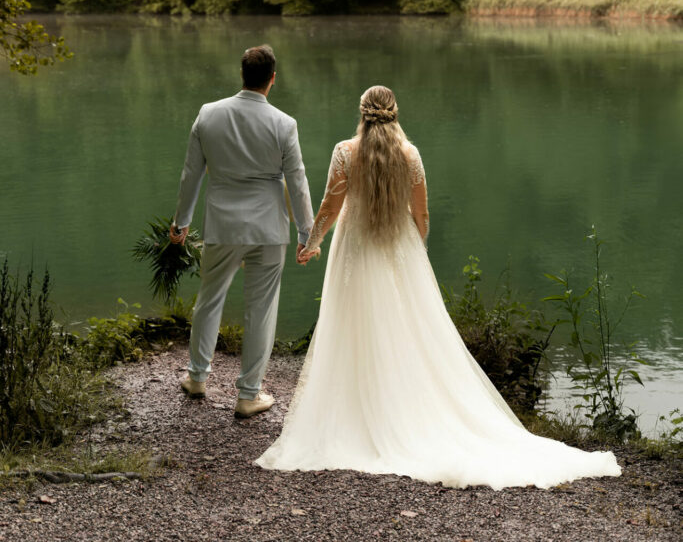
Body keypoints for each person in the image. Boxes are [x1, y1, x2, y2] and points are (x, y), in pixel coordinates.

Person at [256, 85, 621, 489]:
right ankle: (402, 408)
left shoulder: (345, 151)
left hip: (354, 250)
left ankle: (360, 410)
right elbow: (421, 211)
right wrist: (416, 248)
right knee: (406, 330)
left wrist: (313, 242)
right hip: (398, 249)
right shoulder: (410, 155)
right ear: (395, 113)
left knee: (352, 324)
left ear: (361, 114)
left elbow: (330, 205)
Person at [170, 44, 315, 418]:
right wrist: (306, 234)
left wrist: (181, 222)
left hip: (222, 226)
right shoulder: (284, 124)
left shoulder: (209, 114)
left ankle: (198, 376)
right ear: (272, 79)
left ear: (242, 75)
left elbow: (191, 173)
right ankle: (248, 394)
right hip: (268, 229)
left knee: (210, 298)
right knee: (261, 310)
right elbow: (297, 183)